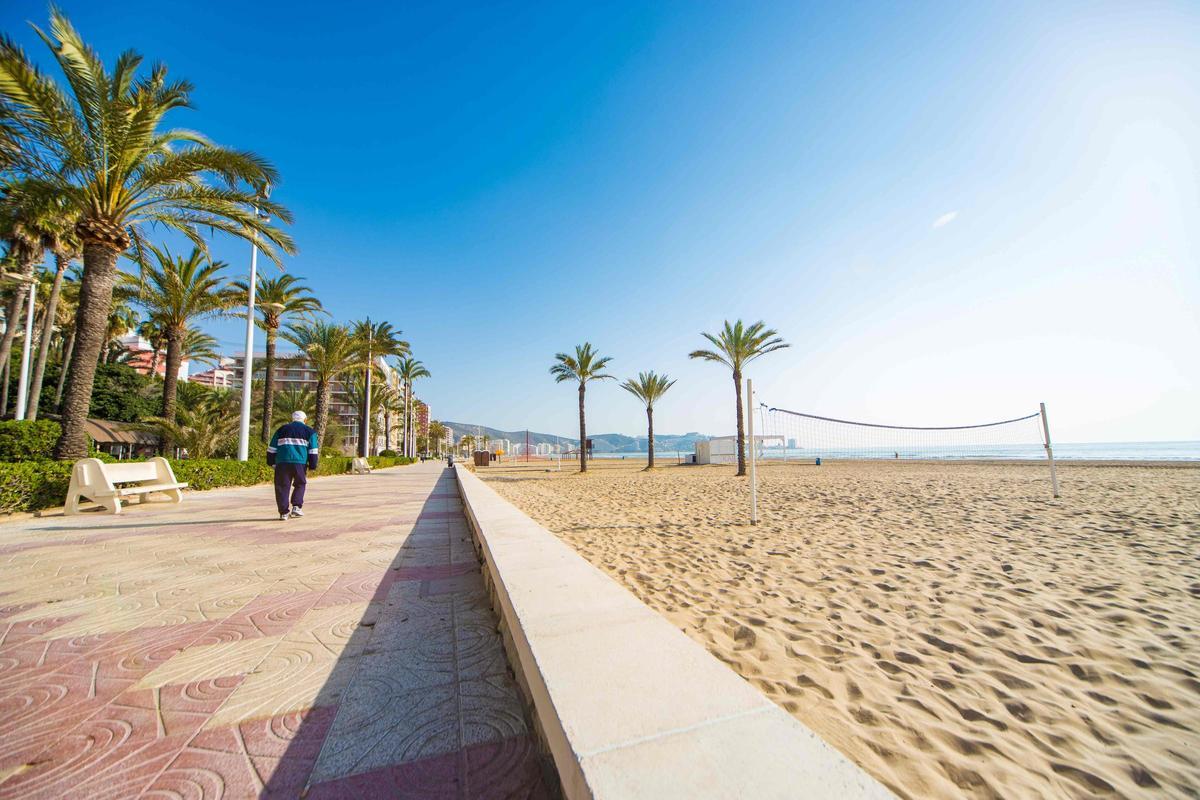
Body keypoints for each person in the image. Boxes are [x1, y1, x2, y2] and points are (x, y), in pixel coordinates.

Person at [268, 410, 319, 520]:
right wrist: (313, 465)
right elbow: (313, 451)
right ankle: (296, 507)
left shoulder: (281, 430)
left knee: (282, 486)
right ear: (305, 420)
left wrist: (271, 462)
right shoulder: (310, 432)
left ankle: (283, 513)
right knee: (300, 483)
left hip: (282, 462)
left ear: (292, 419)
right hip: (300, 463)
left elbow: (272, 448)